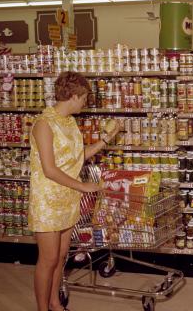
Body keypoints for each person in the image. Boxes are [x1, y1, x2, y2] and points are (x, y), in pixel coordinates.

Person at [28, 71, 122, 311]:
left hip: (68, 197)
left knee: (60, 257)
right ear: (72, 95)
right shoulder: (43, 124)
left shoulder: (69, 123)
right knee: (47, 259)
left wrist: (106, 140)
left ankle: (55, 303)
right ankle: (42, 309)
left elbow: (77, 158)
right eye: (84, 98)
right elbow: (49, 169)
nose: (85, 102)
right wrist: (84, 186)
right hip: (47, 200)